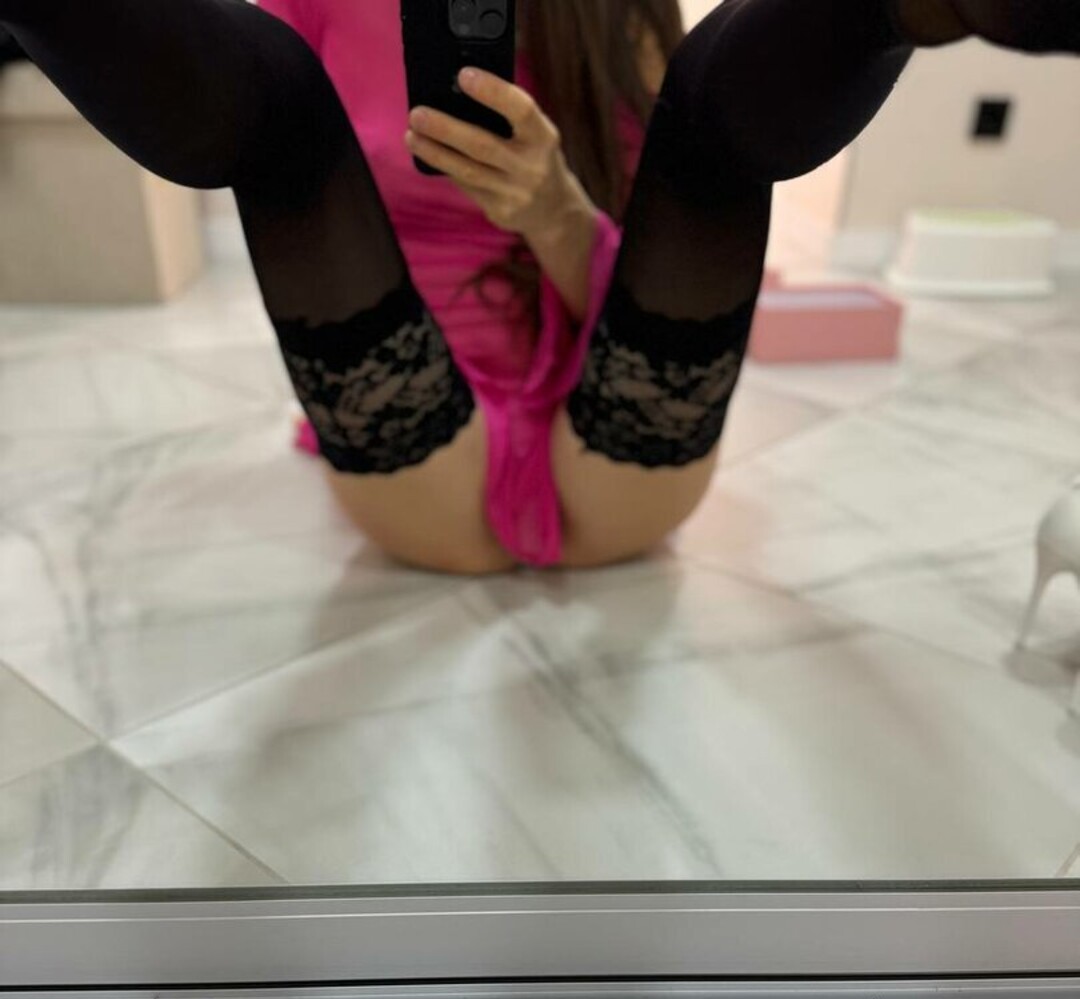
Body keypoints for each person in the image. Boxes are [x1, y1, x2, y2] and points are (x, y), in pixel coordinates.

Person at [1, 0, 1076, 575]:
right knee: (281, 95)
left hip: (613, 425)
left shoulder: (617, 12)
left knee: (708, 98)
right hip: (409, 423)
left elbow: (653, 259)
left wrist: (555, 209)